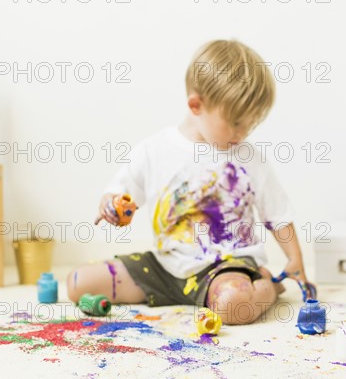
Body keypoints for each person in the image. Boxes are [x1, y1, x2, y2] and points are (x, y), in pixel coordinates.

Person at [67, 39, 314, 325]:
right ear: (196, 105)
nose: (244, 132)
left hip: (226, 267)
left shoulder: (248, 158)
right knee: (77, 282)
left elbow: (277, 215)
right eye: (236, 123)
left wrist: (294, 258)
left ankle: (269, 286)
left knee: (233, 306)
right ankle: (188, 294)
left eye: (251, 124)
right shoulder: (155, 150)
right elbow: (121, 191)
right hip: (166, 267)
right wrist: (112, 205)